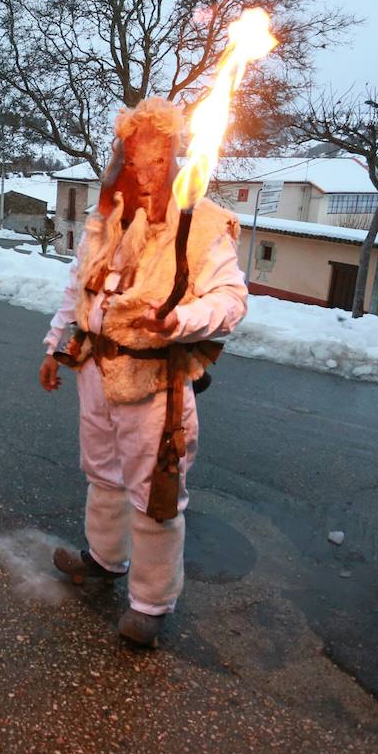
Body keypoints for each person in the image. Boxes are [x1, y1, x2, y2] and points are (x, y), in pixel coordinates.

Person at [39, 99, 247, 649]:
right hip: (94, 367)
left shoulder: (203, 226)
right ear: (122, 161)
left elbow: (231, 299)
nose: (146, 174)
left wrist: (183, 319)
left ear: (175, 160)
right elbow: (77, 284)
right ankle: (105, 560)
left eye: (158, 162)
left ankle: (150, 604)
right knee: (101, 473)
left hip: (154, 381)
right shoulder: (108, 217)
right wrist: (55, 344)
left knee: (155, 494)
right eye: (135, 162)